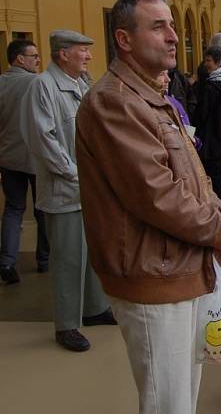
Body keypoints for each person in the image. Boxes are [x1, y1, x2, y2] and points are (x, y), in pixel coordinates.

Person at [76, 0, 221, 413]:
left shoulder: (152, 98)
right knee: (168, 401)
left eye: (172, 25)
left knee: (181, 395)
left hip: (177, 264)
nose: (172, 36)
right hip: (153, 274)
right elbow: (156, 195)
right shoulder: (114, 101)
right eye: (158, 26)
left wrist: (215, 214)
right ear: (124, 39)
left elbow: (191, 177)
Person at [21, 30, 113, 352]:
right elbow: (44, 140)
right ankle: (67, 325)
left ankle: (96, 308)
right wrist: (75, 174)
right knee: (69, 259)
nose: (88, 57)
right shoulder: (42, 87)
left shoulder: (81, 84)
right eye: (82, 51)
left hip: (88, 188)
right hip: (65, 189)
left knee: (91, 253)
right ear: (63, 54)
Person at [0, 40, 49, 283]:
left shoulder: (1, 83)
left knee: (13, 209)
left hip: (8, 158)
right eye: (34, 56)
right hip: (36, 157)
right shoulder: (37, 83)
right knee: (42, 210)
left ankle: (7, 261)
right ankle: (44, 260)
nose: (38, 60)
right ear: (20, 58)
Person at [193, 45, 221, 221]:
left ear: (218, 61)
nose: (206, 64)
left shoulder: (210, 86)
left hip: (212, 140)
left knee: (217, 182)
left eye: (209, 60)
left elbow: (202, 116)